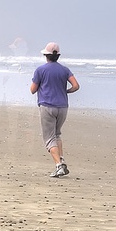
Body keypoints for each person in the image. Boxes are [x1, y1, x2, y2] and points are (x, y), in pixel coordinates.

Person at [30, 42, 80, 177]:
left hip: (47, 106)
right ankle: (62, 161)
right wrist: (65, 91)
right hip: (63, 106)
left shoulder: (40, 70)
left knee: (49, 138)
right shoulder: (65, 70)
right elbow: (76, 86)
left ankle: (58, 166)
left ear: (46, 55)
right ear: (58, 56)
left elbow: (32, 90)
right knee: (57, 134)